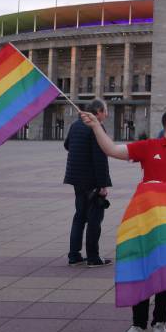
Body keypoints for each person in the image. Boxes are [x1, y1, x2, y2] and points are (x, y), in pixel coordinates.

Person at [80, 101, 166, 332]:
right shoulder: (149, 147)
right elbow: (112, 149)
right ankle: (138, 326)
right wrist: (95, 126)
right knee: (143, 269)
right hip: (145, 221)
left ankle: (159, 323)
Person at [63, 99, 112, 267]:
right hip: (91, 180)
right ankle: (93, 257)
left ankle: (74, 255)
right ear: (98, 111)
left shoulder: (76, 125)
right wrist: (103, 185)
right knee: (94, 219)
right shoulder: (96, 127)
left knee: (79, 216)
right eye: (105, 111)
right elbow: (100, 158)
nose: (106, 114)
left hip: (76, 179)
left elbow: (67, 145)